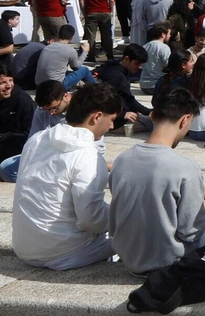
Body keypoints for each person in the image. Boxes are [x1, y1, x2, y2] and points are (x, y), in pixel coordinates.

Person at [109, 85, 205, 274]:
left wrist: (192, 200)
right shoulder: (185, 166)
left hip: (130, 259)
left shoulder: (122, 160)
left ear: (152, 116)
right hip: (169, 260)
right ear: (185, 119)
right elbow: (190, 232)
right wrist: (197, 206)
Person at [11, 80, 122, 269]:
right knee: (134, 228)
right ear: (96, 117)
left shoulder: (37, 140)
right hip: (64, 252)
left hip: (23, 248)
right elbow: (91, 220)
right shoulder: (89, 155)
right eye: (111, 120)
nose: (111, 127)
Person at [79, 0, 117, 64]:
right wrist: (111, 10)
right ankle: (110, 56)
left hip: (91, 12)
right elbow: (111, 0)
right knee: (107, 35)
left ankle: (90, 55)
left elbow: (81, 1)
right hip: (104, 12)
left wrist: (84, 12)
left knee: (90, 36)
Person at [35, 25, 94, 89]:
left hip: (40, 85)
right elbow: (76, 67)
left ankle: (82, 84)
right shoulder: (70, 50)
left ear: (58, 35)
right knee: (84, 70)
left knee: (64, 72)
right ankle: (96, 88)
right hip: (57, 87)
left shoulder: (47, 48)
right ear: (72, 38)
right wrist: (85, 52)